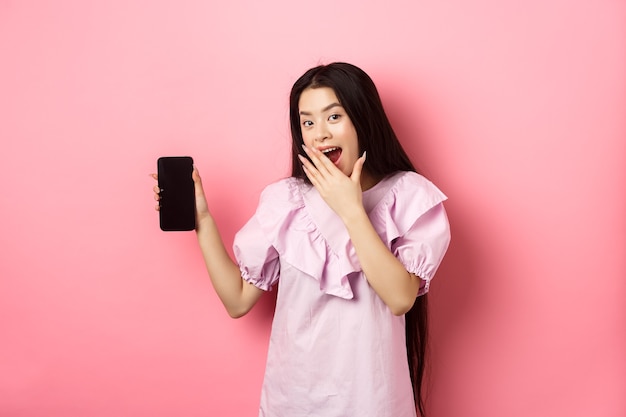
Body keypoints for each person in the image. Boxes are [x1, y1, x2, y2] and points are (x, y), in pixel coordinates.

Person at [152, 62, 450, 417]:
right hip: (293, 402)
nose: (319, 134)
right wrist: (202, 218)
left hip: (374, 402)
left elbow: (400, 298)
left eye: (333, 117)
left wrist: (351, 210)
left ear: (363, 120)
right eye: (307, 122)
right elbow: (238, 301)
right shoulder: (286, 201)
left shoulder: (410, 195)